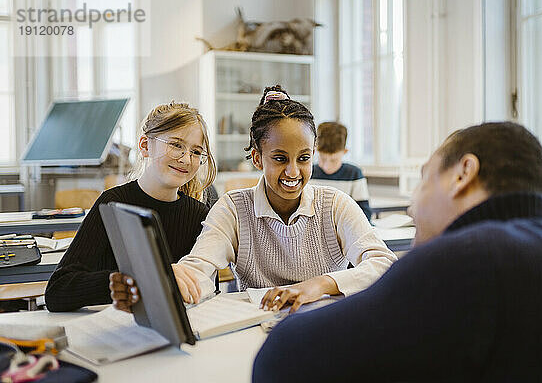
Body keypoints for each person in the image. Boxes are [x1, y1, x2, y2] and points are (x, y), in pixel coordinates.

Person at [253, 122, 542, 382]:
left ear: (463, 174)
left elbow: (281, 359)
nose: (411, 209)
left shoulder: (464, 261)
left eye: (424, 179)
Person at [111, 85, 397, 313]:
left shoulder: (335, 204)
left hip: (324, 328)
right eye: (280, 158)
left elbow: (383, 263)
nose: (293, 171)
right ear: (258, 158)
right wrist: (171, 282)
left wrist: (318, 285)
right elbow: (200, 266)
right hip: (259, 331)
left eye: (304, 158)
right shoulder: (234, 208)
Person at [45, 101, 217, 312]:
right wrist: (126, 281)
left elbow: (207, 292)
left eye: (196, 152)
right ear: (145, 146)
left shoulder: (199, 214)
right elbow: (57, 291)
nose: (186, 159)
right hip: (115, 327)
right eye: (176, 145)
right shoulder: (112, 203)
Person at [311, 122, 372, 221]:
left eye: (334, 160)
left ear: (345, 152)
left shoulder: (354, 174)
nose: (327, 166)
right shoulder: (309, 173)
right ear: (315, 150)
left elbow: (365, 213)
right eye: (322, 158)